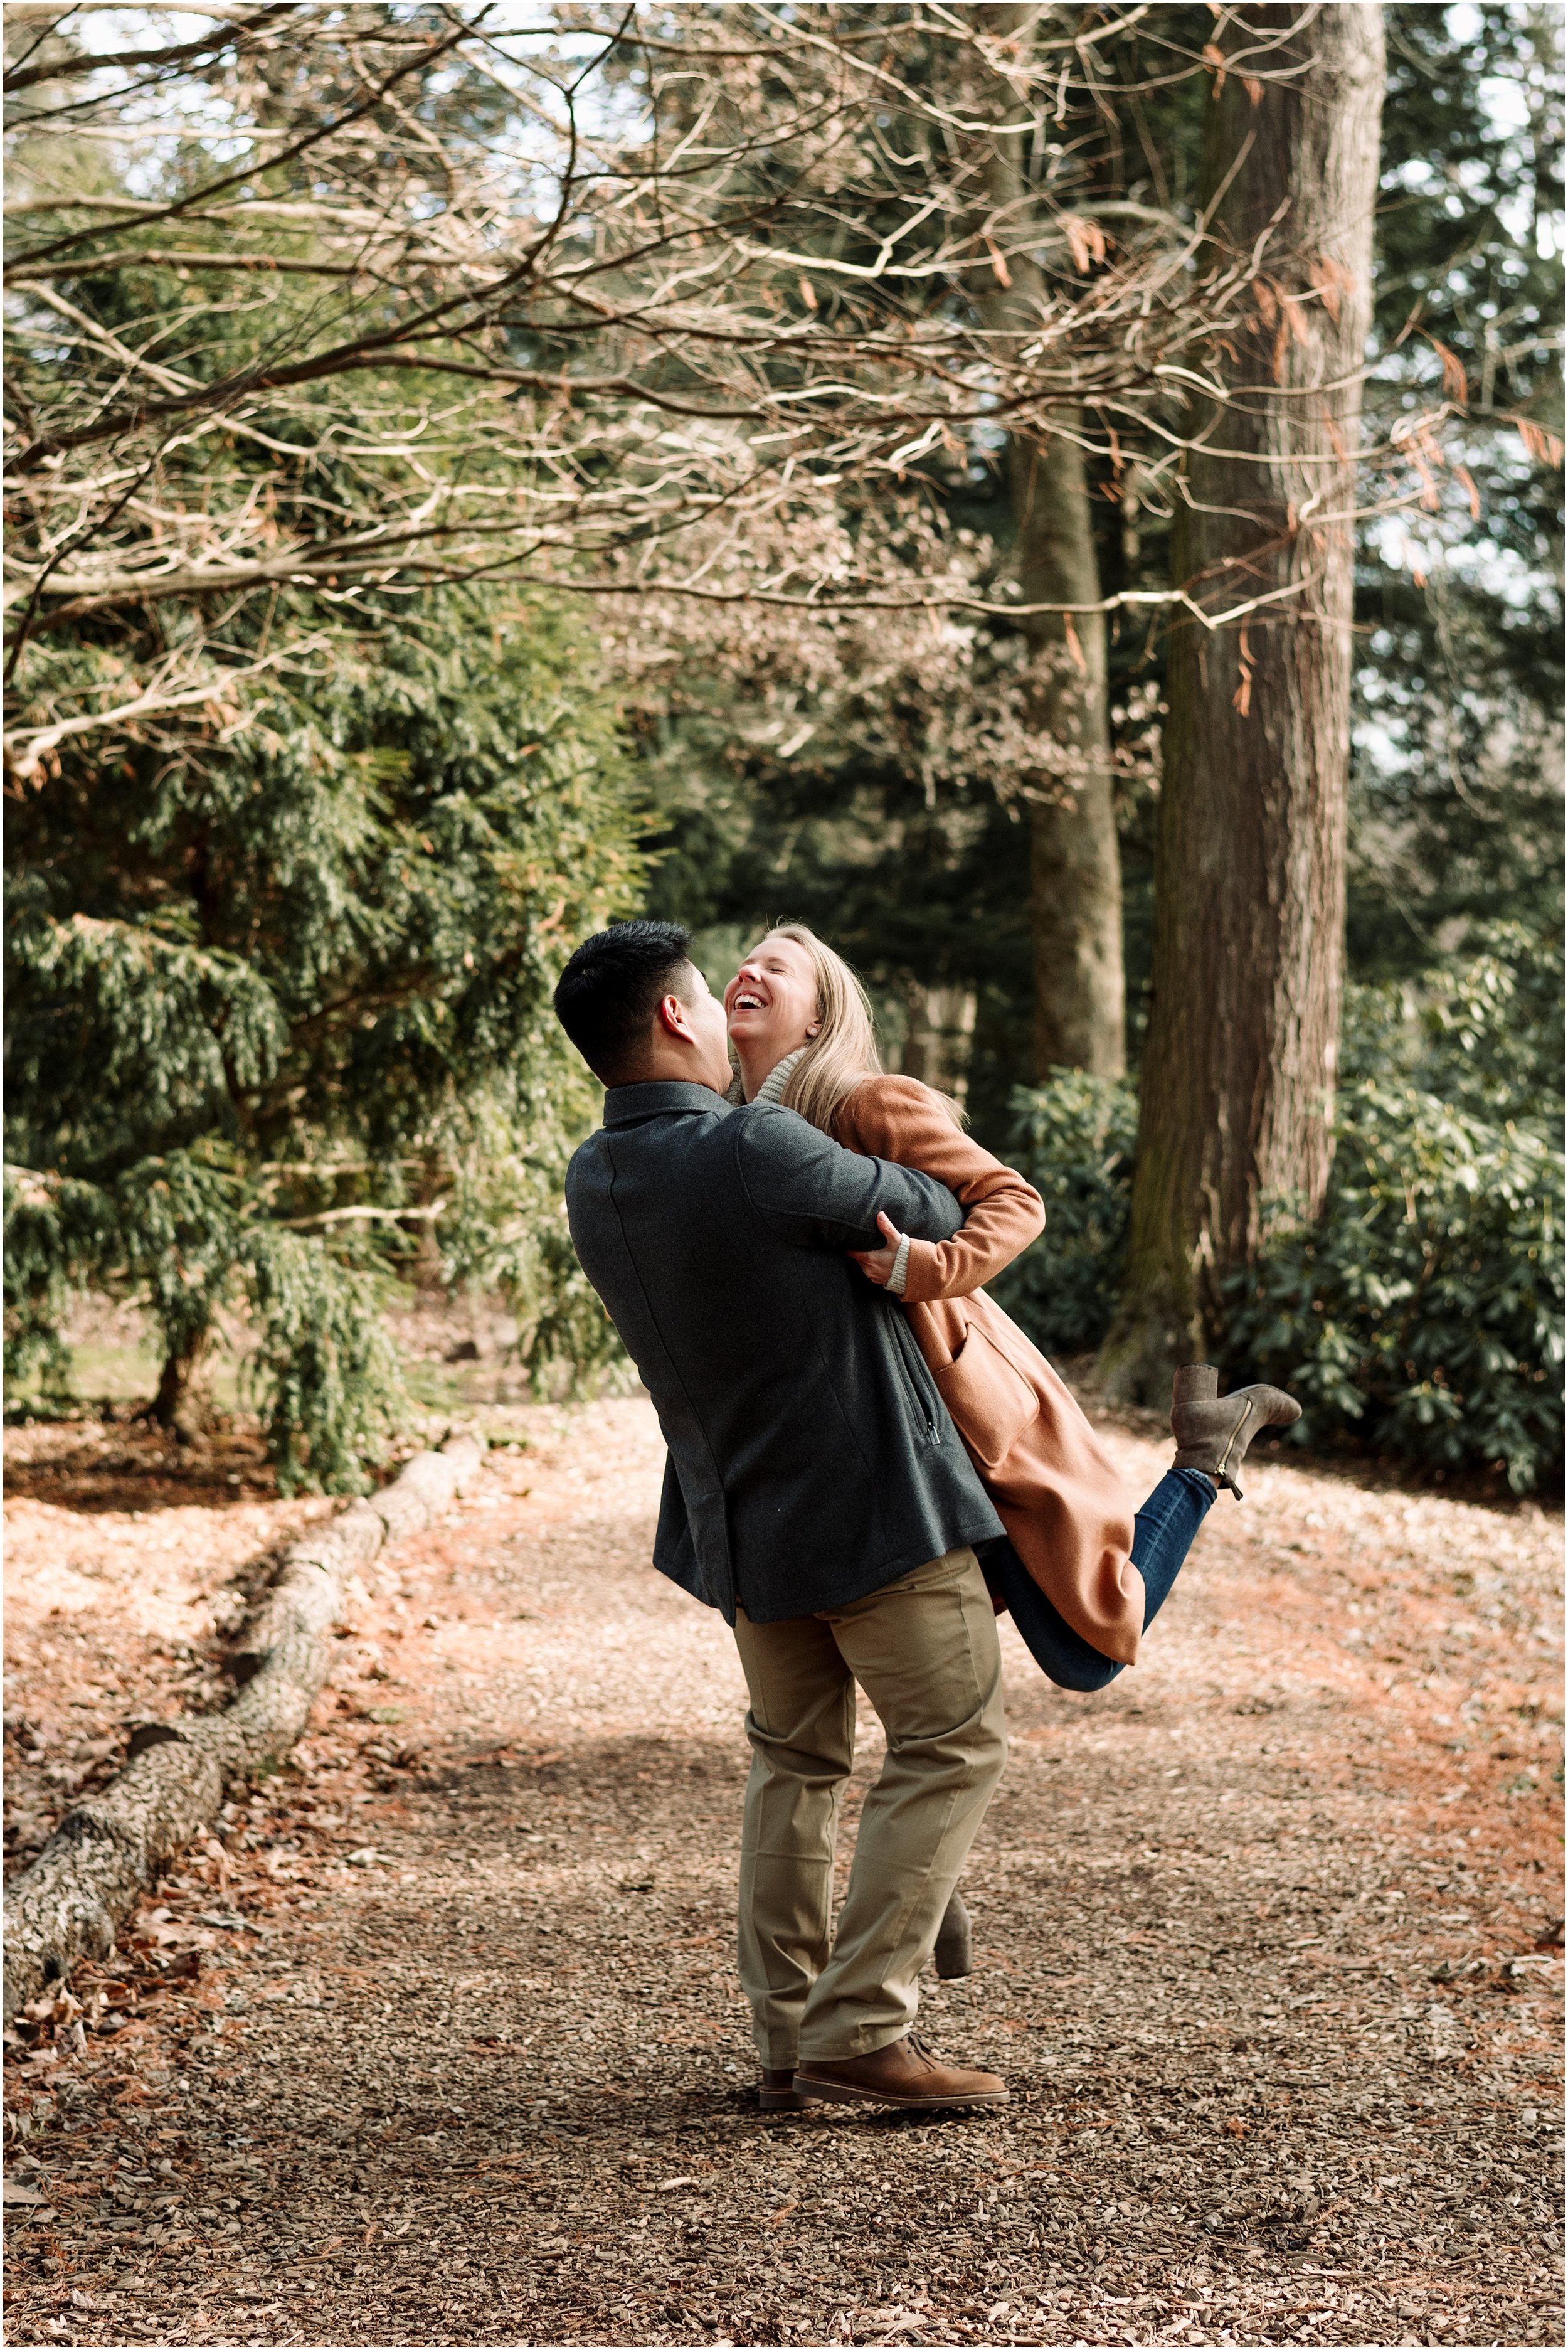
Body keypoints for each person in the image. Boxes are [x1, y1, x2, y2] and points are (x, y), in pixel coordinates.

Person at [723, 922, 1301, 1974]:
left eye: (782, 964)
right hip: (867, 1440)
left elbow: (1014, 1200)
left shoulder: (867, 1102)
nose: (751, 971)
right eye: (746, 959)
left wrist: (923, 1270)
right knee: (913, 1680)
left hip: (959, 1417)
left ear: (821, 1012)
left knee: (1080, 1654)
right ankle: (920, 1887)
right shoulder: (729, 1131)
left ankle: (1202, 1459)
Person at [553, 920, 1013, 2113]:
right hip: (873, 1512)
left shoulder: (594, 1176)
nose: (722, 1004)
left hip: (743, 1527)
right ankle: (862, 2026)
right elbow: (920, 1197)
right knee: (950, 1741)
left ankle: (782, 2038)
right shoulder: (759, 1143)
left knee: (796, 1764)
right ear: (673, 1017)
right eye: (708, 991)